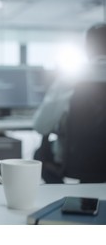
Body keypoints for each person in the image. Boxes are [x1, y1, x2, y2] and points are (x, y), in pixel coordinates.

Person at [32, 22, 106, 182]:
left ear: (87, 49)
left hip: (76, 163)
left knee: (39, 154)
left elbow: (41, 126)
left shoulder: (69, 80)